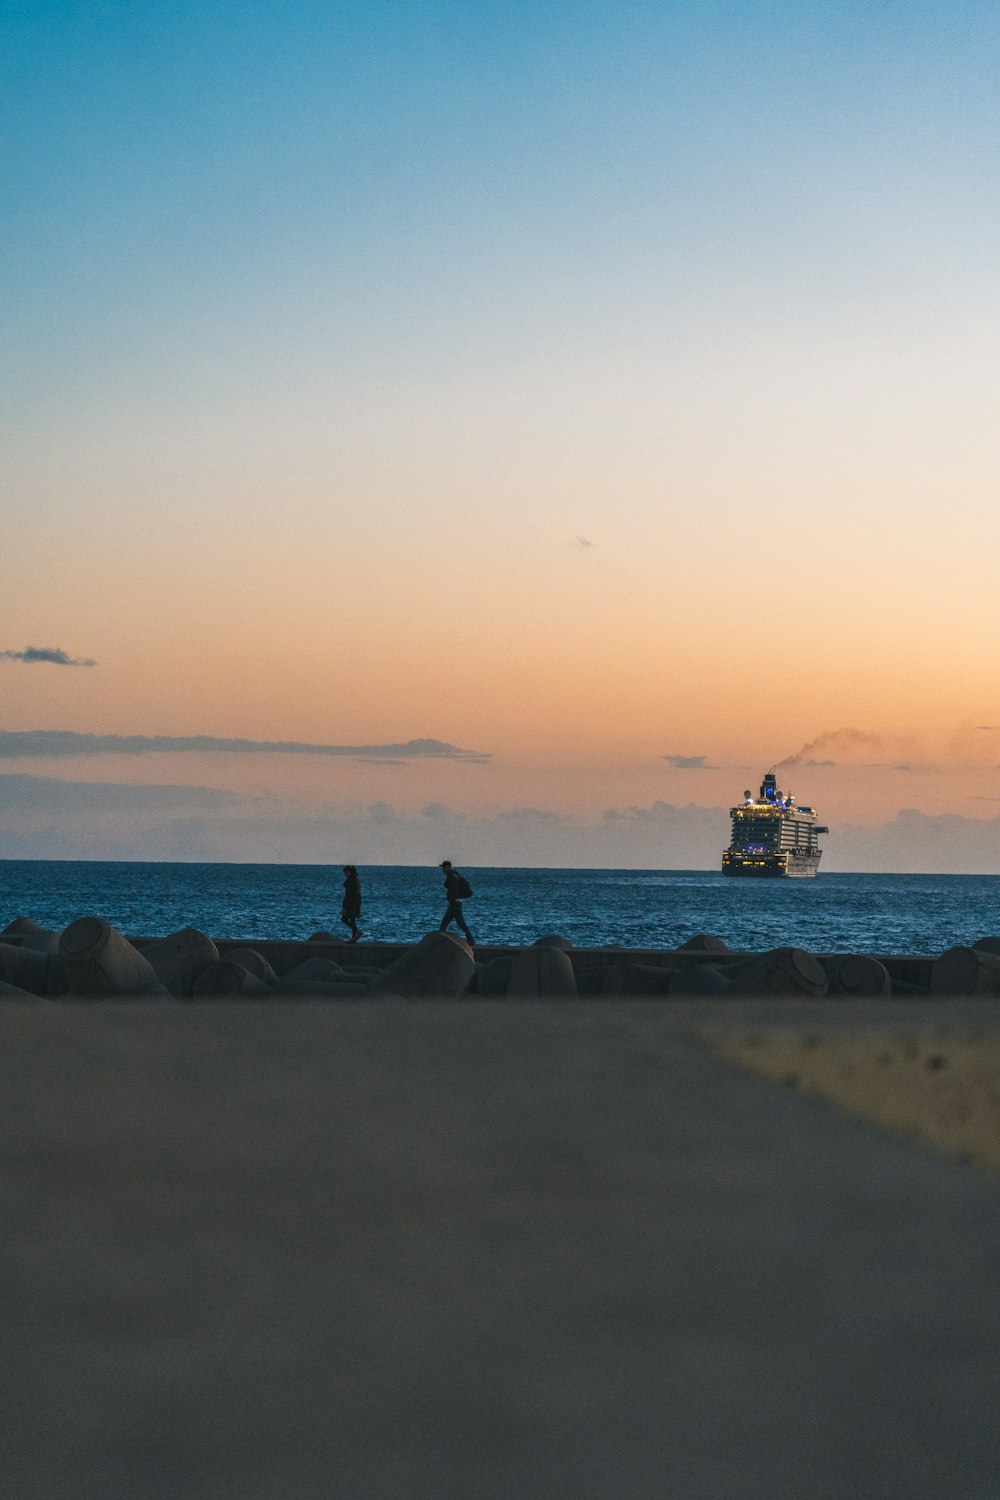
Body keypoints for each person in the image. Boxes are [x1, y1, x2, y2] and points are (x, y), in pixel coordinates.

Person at [438, 860, 475, 946]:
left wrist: (453, 898)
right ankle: (439, 938)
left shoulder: (452, 876)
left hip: (455, 902)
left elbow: (454, 888)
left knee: (459, 922)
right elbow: (447, 885)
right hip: (455, 902)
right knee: (447, 922)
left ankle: (471, 939)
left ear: (448, 867)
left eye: (444, 867)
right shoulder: (453, 874)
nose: (442, 869)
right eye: (442, 867)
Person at [340, 865, 363, 943]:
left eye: (345, 872)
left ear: (348, 872)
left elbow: (348, 895)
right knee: (351, 920)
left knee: (345, 919)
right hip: (355, 903)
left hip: (351, 903)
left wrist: (344, 907)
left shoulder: (351, 881)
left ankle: (355, 935)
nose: (344, 874)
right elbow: (358, 895)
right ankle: (355, 935)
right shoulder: (356, 880)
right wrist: (359, 908)